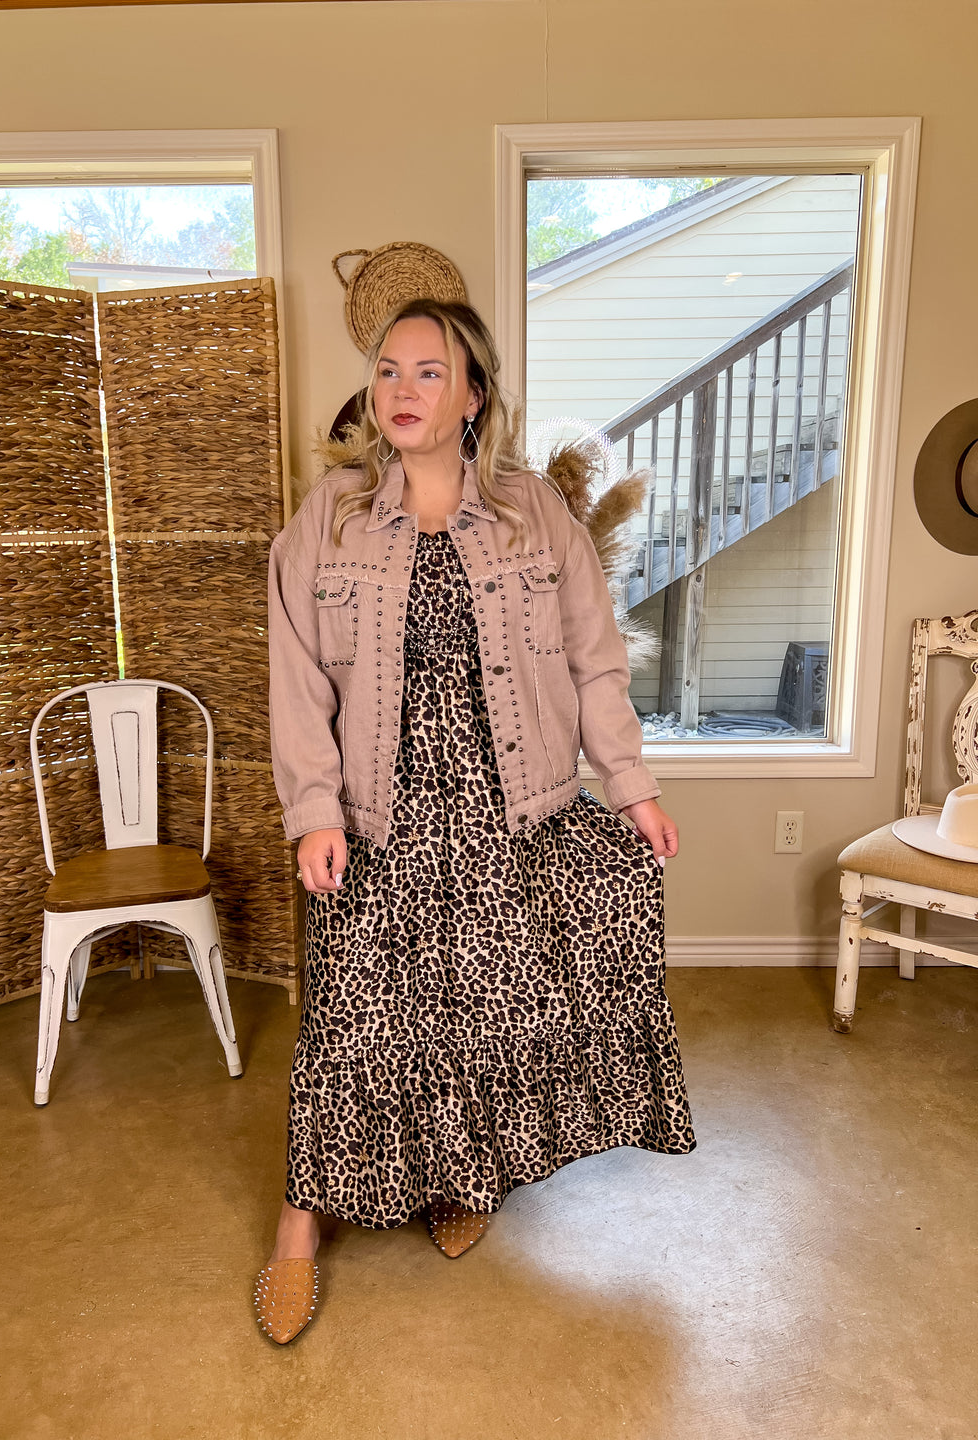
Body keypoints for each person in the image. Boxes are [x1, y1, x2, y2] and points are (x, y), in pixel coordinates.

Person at [258, 297, 695, 1344]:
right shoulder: (330, 516)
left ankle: (460, 1177)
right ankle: (296, 1231)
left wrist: (630, 784)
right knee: (354, 1019)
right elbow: (295, 674)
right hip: (379, 813)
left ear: (473, 395)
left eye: (427, 373)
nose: (401, 392)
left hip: (509, 807)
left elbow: (594, 658)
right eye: (388, 370)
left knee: (479, 1009)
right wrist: (312, 810)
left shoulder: (535, 512)